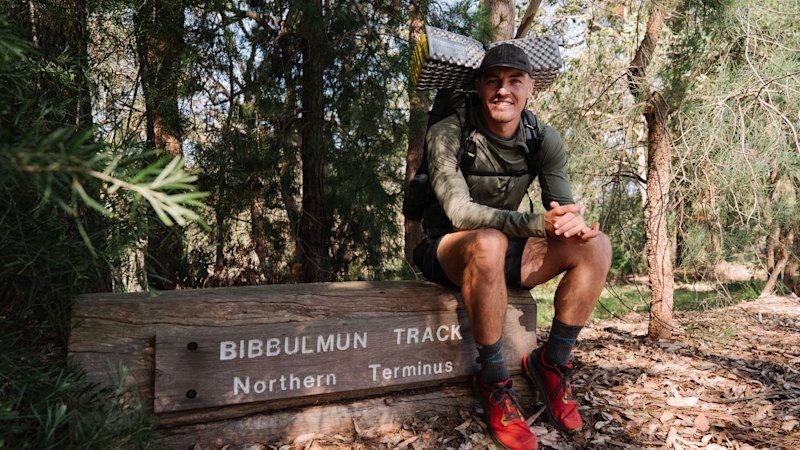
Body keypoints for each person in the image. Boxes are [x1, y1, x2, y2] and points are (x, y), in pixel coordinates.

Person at [412, 43, 612, 450]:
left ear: (530, 88)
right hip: (446, 249)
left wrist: (571, 223)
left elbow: (559, 207)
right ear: (479, 87)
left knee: (596, 246)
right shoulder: (448, 132)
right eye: (493, 81)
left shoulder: (542, 138)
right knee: (489, 242)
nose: (503, 90)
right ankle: (493, 382)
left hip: (504, 249)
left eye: (514, 81)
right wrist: (537, 224)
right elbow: (459, 213)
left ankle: (551, 363)